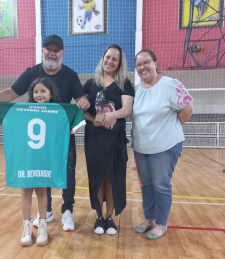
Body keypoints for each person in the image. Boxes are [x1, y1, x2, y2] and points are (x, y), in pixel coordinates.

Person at [0, 34, 90, 231]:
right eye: (49, 49)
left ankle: (67, 211)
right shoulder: (31, 73)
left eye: (56, 50)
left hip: (62, 135)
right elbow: (12, 93)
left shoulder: (70, 75)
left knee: (68, 171)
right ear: (42, 52)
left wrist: (83, 101)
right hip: (40, 137)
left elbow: (81, 100)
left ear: (62, 54)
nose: (52, 53)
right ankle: (45, 210)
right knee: (41, 171)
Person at [132, 50, 193, 239]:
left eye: (146, 62)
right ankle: (149, 219)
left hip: (165, 147)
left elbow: (187, 109)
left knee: (161, 185)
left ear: (156, 63)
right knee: (147, 186)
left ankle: (161, 223)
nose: (143, 67)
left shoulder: (171, 85)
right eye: (139, 64)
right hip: (141, 148)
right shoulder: (135, 90)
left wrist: (169, 129)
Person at [83, 44, 134, 235]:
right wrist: (96, 119)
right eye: (108, 57)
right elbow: (84, 111)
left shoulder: (124, 84)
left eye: (115, 59)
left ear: (119, 63)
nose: (110, 61)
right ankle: (98, 216)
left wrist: (112, 116)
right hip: (94, 139)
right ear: (103, 58)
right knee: (97, 178)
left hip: (115, 140)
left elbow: (127, 109)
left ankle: (110, 217)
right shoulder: (90, 84)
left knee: (112, 179)